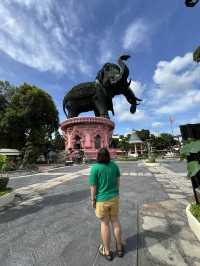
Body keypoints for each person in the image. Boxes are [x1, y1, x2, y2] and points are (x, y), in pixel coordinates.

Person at [88, 147, 124, 261]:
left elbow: (93, 187)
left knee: (105, 224)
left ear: (98, 156)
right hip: (114, 198)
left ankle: (107, 251)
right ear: (108, 156)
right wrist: (116, 192)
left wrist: (93, 200)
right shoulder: (114, 166)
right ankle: (119, 247)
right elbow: (118, 181)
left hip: (102, 200)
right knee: (115, 221)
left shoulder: (95, 168)